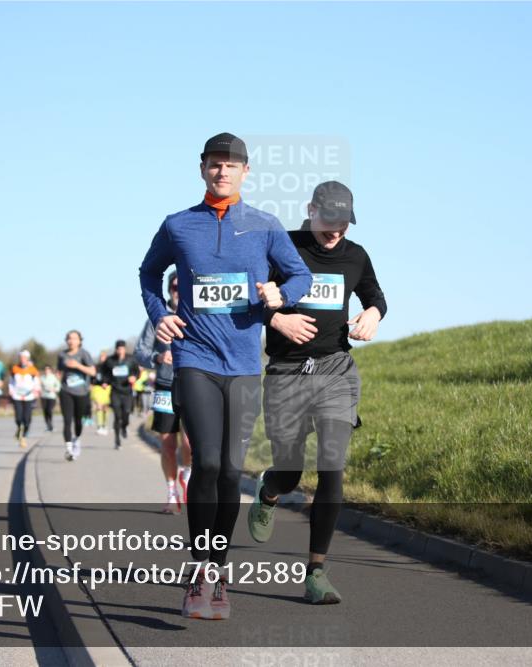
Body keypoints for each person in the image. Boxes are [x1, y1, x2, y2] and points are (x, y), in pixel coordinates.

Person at [139, 133, 311, 620]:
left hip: (243, 365)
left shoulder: (264, 226)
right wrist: (159, 315)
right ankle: (200, 570)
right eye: (215, 165)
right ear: (202, 169)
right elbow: (149, 274)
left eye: (231, 166)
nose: (223, 173)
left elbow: (298, 276)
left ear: (245, 173)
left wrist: (280, 294)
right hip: (194, 358)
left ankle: (217, 569)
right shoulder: (178, 225)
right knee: (209, 464)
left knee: (233, 473)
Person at [247, 181, 386, 605]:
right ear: (311, 210)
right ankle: (270, 490)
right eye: (329, 220)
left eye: (344, 221)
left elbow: (375, 295)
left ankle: (316, 572)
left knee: (332, 465)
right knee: (290, 471)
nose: (336, 230)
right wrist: (277, 320)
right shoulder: (282, 247)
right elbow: (250, 299)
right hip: (288, 372)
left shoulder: (356, 256)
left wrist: (374, 314)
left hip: (335, 371)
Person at [134, 270, 192, 514]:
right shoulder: (156, 319)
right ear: (169, 290)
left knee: (191, 444)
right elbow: (140, 351)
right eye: (175, 287)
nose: (178, 292)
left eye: (182, 287)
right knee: (167, 444)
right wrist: (158, 356)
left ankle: (187, 476)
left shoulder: (196, 314)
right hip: (165, 387)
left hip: (193, 386)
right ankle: (171, 493)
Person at [58, 330, 96, 461]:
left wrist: (78, 365)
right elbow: (59, 371)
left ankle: (76, 439)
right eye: (69, 338)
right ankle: (69, 450)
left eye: (74, 338)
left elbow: (92, 372)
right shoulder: (62, 355)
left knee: (78, 420)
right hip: (66, 391)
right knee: (67, 420)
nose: (71, 341)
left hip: (82, 392)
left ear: (79, 340)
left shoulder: (84, 354)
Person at [100, 340, 139, 450]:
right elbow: (104, 373)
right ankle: (117, 441)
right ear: (116, 349)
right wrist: (104, 382)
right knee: (117, 416)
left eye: (122, 349)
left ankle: (124, 426)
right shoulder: (110, 360)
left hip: (127, 391)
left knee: (126, 413)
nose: (120, 351)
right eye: (118, 349)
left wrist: (134, 377)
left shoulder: (131, 359)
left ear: (125, 349)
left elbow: (137, 372)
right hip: (115, 391)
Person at [8, 350, 40, 449]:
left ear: (27, 359)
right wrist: (11, 390)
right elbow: (11, 381)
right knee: (18, 417)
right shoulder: (14, 369)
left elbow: (36, 382)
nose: (23, 360)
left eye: (25, 358)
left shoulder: (33, 370)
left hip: (29, 396)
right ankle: (19, 429)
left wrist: (36, 391)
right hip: (17, 396)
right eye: (21, 358)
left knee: (27, 419)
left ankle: (24, 435)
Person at [90, 351, 110, 435]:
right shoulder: (96, 367)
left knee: (105, 408)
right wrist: (90, 384)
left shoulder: (110, 367)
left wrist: (107, 382)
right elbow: (91, 376)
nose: (103, 358)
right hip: (97, 388)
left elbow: (113, 377)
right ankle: (99, 426)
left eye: (104, 357)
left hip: (107, 388)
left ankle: (105, 425)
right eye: (101, 357)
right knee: (99, 406)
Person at [40, 366, 60, 432]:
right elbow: (38, 386)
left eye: (48, 369)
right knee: (45, 411)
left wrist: (53, 389)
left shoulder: (53, 377)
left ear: (50, 370)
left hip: (51, 397)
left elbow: (58, 386)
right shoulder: (42, 378)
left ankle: (51, 424)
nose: (46, 371)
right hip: (43, 396)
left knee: (49, 410)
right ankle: (48, 426)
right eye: (45, 369)